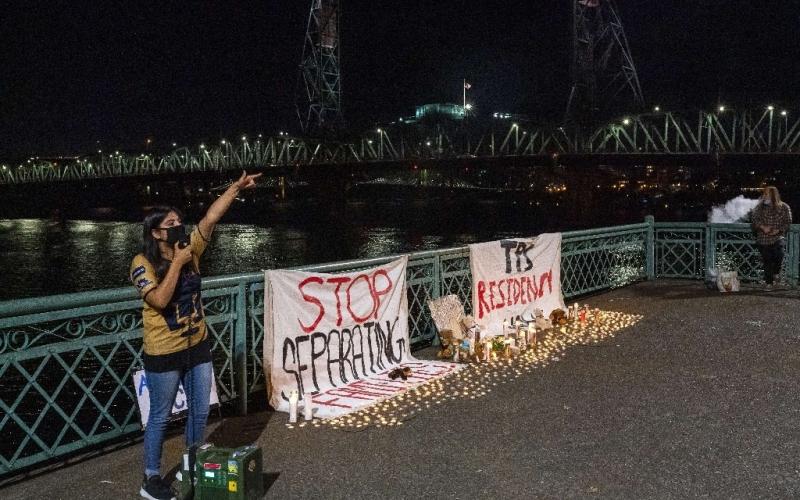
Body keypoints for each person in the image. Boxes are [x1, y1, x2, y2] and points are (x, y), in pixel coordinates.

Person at [130, 171, 261, 500]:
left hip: (197, 343)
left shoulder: (192, 247)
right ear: (157, 233)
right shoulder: (142, 262)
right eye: (171, 223)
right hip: (163, 351)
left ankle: (192, 461)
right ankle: (151, 478)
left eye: (179, 220)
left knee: (200, 410)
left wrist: (234, 188)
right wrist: (177, 264)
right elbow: (159, 300)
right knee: (161, 415)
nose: (179, 226)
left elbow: (211, 217)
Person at [751, 185, 792, 288]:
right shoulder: (759, 207)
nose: (764, 196)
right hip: (763, 238)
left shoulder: (784, 207)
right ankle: (769, 283)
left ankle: (776, 274)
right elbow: (754, 220)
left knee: (779, 255)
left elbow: (788, 222)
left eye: (766, 194)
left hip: (777, 237)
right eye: (764, 193)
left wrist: (778, 230)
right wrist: (762, 227)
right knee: (767, 260)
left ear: (773, 195)